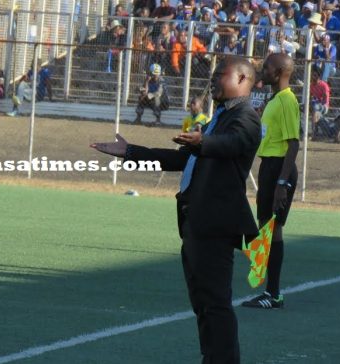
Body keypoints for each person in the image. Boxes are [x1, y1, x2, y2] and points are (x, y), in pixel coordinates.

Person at [91, 56, 261, 364]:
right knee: (203, 302)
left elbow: (233, 144)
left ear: (241, 79)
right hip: (196, 221)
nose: (213, 80)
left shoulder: (246, 116)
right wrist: (132, 152)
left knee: (215, 303)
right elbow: (183, 159)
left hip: (215, 224)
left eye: (220, 75)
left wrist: (203, 142)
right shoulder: (220, 116)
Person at [242, 53, 299, 310]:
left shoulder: (287, 100)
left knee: (272, 229)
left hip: (279, 169)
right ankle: (269, 290)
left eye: (267, 67)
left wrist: (282, 183)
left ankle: (273, 294)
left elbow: (293, 144)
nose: (262, 70)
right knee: (266, 227)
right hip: (269, 167)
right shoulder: (275, 99)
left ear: (279, 74)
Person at [309, 66, 331, 138]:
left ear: (318, 76)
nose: (313, 76)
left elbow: (325, 100)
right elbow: (311, 96)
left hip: (324, 106)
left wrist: (317, 102)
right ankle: (311, 131)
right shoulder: (311, 85)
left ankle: (313, 133)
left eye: (315, 75)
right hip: (315, 105)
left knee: (315, 108)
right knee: (303, 106)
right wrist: (312, 100)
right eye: (312, 75)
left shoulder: (324, 85)